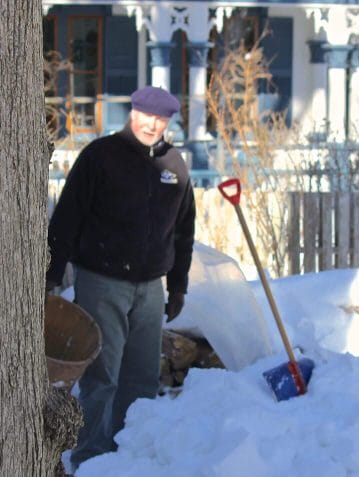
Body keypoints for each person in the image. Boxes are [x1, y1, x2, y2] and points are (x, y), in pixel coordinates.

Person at [46, 86, 196, 469]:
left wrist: (177, 285)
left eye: (161, 118)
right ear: (133, 113)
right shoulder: (100, 156)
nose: (152, 124)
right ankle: (90, 457)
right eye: (146, 115)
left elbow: (183, 231)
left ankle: (131, 455)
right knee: (102, 377)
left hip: (150, 287)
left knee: (142, 377)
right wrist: (51, 274)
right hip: (102, 281)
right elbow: (68, 217)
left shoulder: (176, 166)